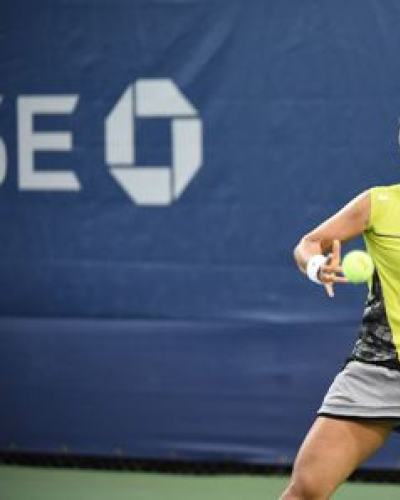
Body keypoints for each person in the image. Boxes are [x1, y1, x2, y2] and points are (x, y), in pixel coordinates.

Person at [280, 185, 400, 500]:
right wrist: (317, 266)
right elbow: (310, 244)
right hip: (379, 365)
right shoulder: (378, 203)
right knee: (307, 489)